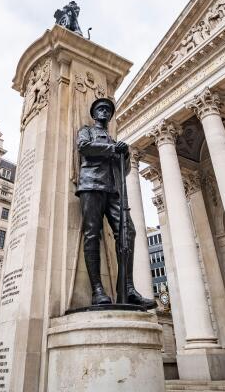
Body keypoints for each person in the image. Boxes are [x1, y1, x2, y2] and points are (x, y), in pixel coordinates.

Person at [75, 97, 157, 308]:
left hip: (114, 190)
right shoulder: (87, 131)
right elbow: (84, 147)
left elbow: (126, 169)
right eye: (100, 109)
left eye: (107, 111)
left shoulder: (114, 140)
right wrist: (113, 150)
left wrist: (125, 154)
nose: (104, 113)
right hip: (92, 185)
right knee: (92, 234)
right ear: (94, 115)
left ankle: (127, 288)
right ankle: (97, 290)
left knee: (128, 232)